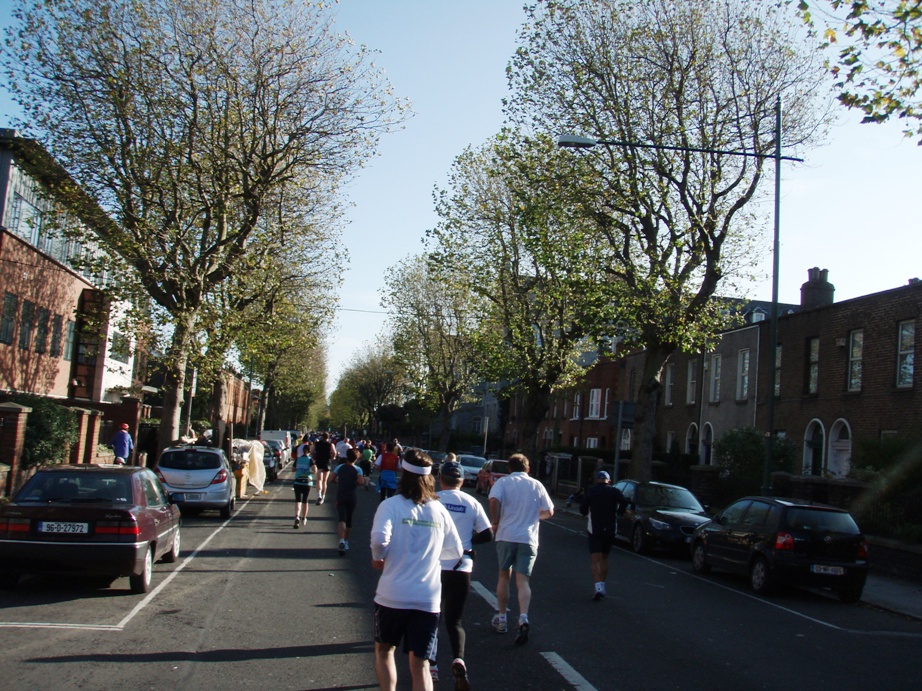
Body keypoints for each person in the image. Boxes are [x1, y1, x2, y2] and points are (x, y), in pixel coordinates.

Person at [371, 449, 463, 691]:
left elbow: (380, 540)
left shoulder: (390, 505)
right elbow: (456, 551)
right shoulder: (439, 509)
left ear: (403, 472)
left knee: (384, 649)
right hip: (427, 598)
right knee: (421, 663)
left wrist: (378, 558)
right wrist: (431, 556)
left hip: (392, 595)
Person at [431, 460, 493, 690]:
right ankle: (458, 658)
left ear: (440, 478)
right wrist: (466, 543)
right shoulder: (471, 502)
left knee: (431, 618)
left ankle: (432, 664)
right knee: (454, 620)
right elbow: (487, 534)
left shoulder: (432, 499)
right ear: (462, 480)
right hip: (461, 567)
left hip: (434, 566)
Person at [488, 453, 554, 645]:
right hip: (528, 537)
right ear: (528, 468)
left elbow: (493, 501)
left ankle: (501, 618)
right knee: (523, 580)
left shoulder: (503, 483)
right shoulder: (536, 485)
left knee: (503, 576)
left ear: (509, 468)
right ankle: (523, 617)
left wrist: (495, 521)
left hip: (506, 534)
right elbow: (549, 511)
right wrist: (534, 517)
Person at [578, 470, 627, 600]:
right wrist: (619, 512)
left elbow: (583, 507)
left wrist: (584, 512)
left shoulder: (592, 491)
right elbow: (624, 501)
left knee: (595, 558)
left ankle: (598, 586)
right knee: (605, 557)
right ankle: (603, 585)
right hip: (610, 528)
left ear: (596, 480)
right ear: (609, 481)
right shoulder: (614, 491)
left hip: (595, 528)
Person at [332, 447, 365, 555]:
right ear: (357, 458)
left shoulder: (340, 467)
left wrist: (339, 482)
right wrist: (353, 482)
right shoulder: (358, 469)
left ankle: (341, 540)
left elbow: (330, 479)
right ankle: (346, 541)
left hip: (341, 494)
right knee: (349, 519)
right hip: (351, 495)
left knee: (342, 518)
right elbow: (361, 482)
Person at [292, 448, 317, 529]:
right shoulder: (310, 460)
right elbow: (315, 470)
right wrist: (310, 471)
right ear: (309, 452)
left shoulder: (298, 459)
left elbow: (293, 469)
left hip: (298, 481)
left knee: (298, 500)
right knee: (305, 500)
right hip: (307, 482)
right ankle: (304, 518)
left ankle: (297, 516)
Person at [312, 432, 335, 505]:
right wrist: (332, 457)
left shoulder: (317, 443)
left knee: (319, 479)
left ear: (322, 437)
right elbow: (334, 452)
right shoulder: (330, 444)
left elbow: (312, 451)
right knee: (324, 481)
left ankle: (319, 495)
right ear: (328, 437)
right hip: (327, 462)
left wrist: (314, 456)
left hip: (319, 461)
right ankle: (323, 496)